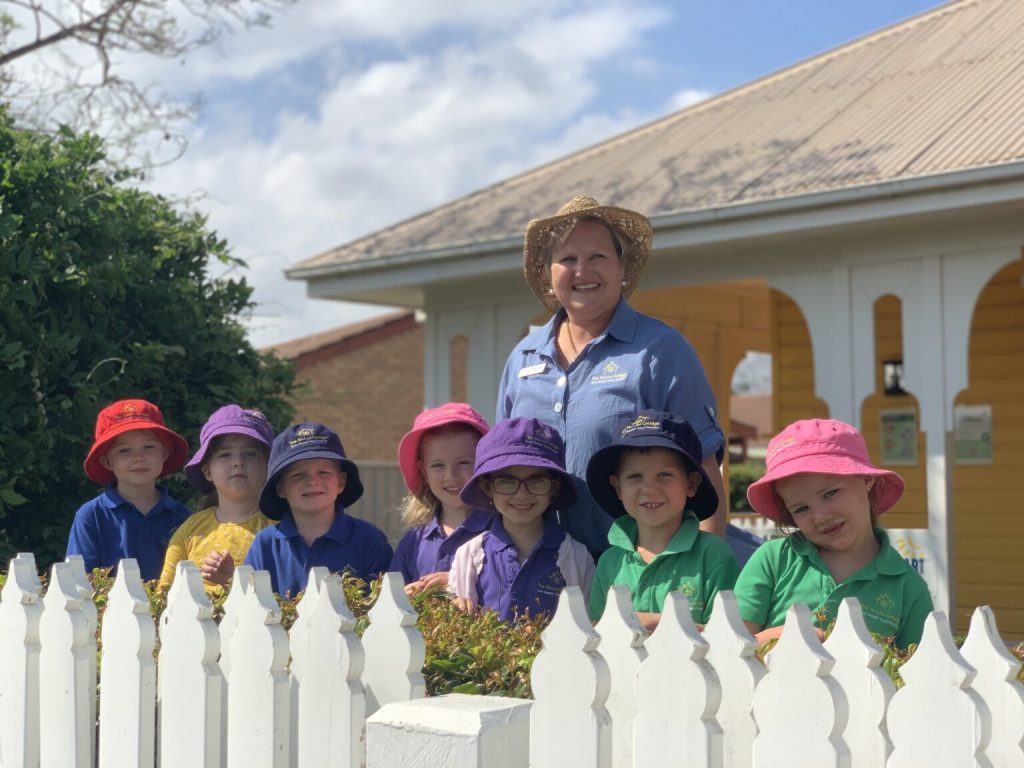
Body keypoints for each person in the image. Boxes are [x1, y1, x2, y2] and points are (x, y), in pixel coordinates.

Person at [496, 195, 738, 560]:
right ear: (549, 272)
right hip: (536, 570)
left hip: (636, 573)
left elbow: (703, 465)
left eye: (598, 257)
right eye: (568, 259)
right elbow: (500, 467)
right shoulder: (522, 358)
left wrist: (706, 571)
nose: (582, 270)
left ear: (622, 267)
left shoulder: (661, 351)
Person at [734, 418, 933, 648]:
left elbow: (918, 675)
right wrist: (781, 637)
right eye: (801, 508)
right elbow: (732, 648)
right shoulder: (773, 561)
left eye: (830, 494)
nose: (820, 517)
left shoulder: (907, 587)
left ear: (866, 479)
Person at [586, 411, 739, 632]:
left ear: (692, 484)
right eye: (634, 477)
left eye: (665, 475)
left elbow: (729, 635)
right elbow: (597, 631)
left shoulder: (714, 555)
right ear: (617, 487)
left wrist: (663, 624)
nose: (649, 489)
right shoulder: (610, 561)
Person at [448, 417, 594, 622]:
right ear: (486, 486)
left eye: (537, 480)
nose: (522, 494)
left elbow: (588, 627)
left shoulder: (575, 557)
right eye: (507, 481)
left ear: (554, 487)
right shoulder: (469, 555)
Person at [243, 422, 393, 597]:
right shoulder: (265, 544)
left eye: (323, 473)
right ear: (280, 488)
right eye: (298, 475)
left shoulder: (369, 540)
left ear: (341, 482)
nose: (312, 481)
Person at [67, 398, 191, 581]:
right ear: (107, 461)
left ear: (165, 453)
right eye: (124, 450)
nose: (138, 458)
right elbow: (80, 581)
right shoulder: (91, 516)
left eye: (149, 447)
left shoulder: (183, 517)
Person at [157, 405, 274, 593]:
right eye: (225, 454)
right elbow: (165, 591)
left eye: (250, 454)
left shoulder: (279, 528)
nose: (238, 462)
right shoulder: (191, 529)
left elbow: (288, 592)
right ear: (207, 471)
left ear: (268, 467)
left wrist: (232, 580)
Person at [390, 403, 493, 593]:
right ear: (423, 471)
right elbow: (391, 602)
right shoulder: (414, 541)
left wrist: (458, 582)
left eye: (463, 463)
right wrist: (405, 597)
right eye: (438, 466)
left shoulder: (500, 530)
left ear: (483, 464)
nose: (451, 476)